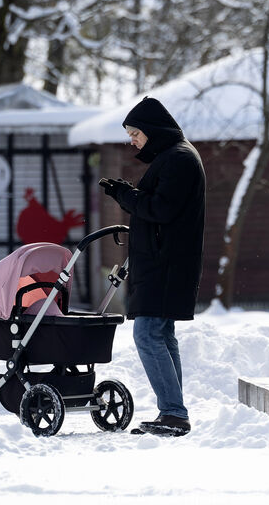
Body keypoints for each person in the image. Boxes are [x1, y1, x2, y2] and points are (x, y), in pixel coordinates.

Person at [101, 96, 206, 437]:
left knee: (147, 334)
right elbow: (160, 204)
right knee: (161, 335)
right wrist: (128, 192)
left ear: (152, 130)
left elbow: (161, 209)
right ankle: (173, 412)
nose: (132, 141)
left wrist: (125, 196)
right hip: (164, 262)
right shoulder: (173, 156)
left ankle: (174, 413)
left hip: (166, 265)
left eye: (135, 133)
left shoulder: (179, 159)